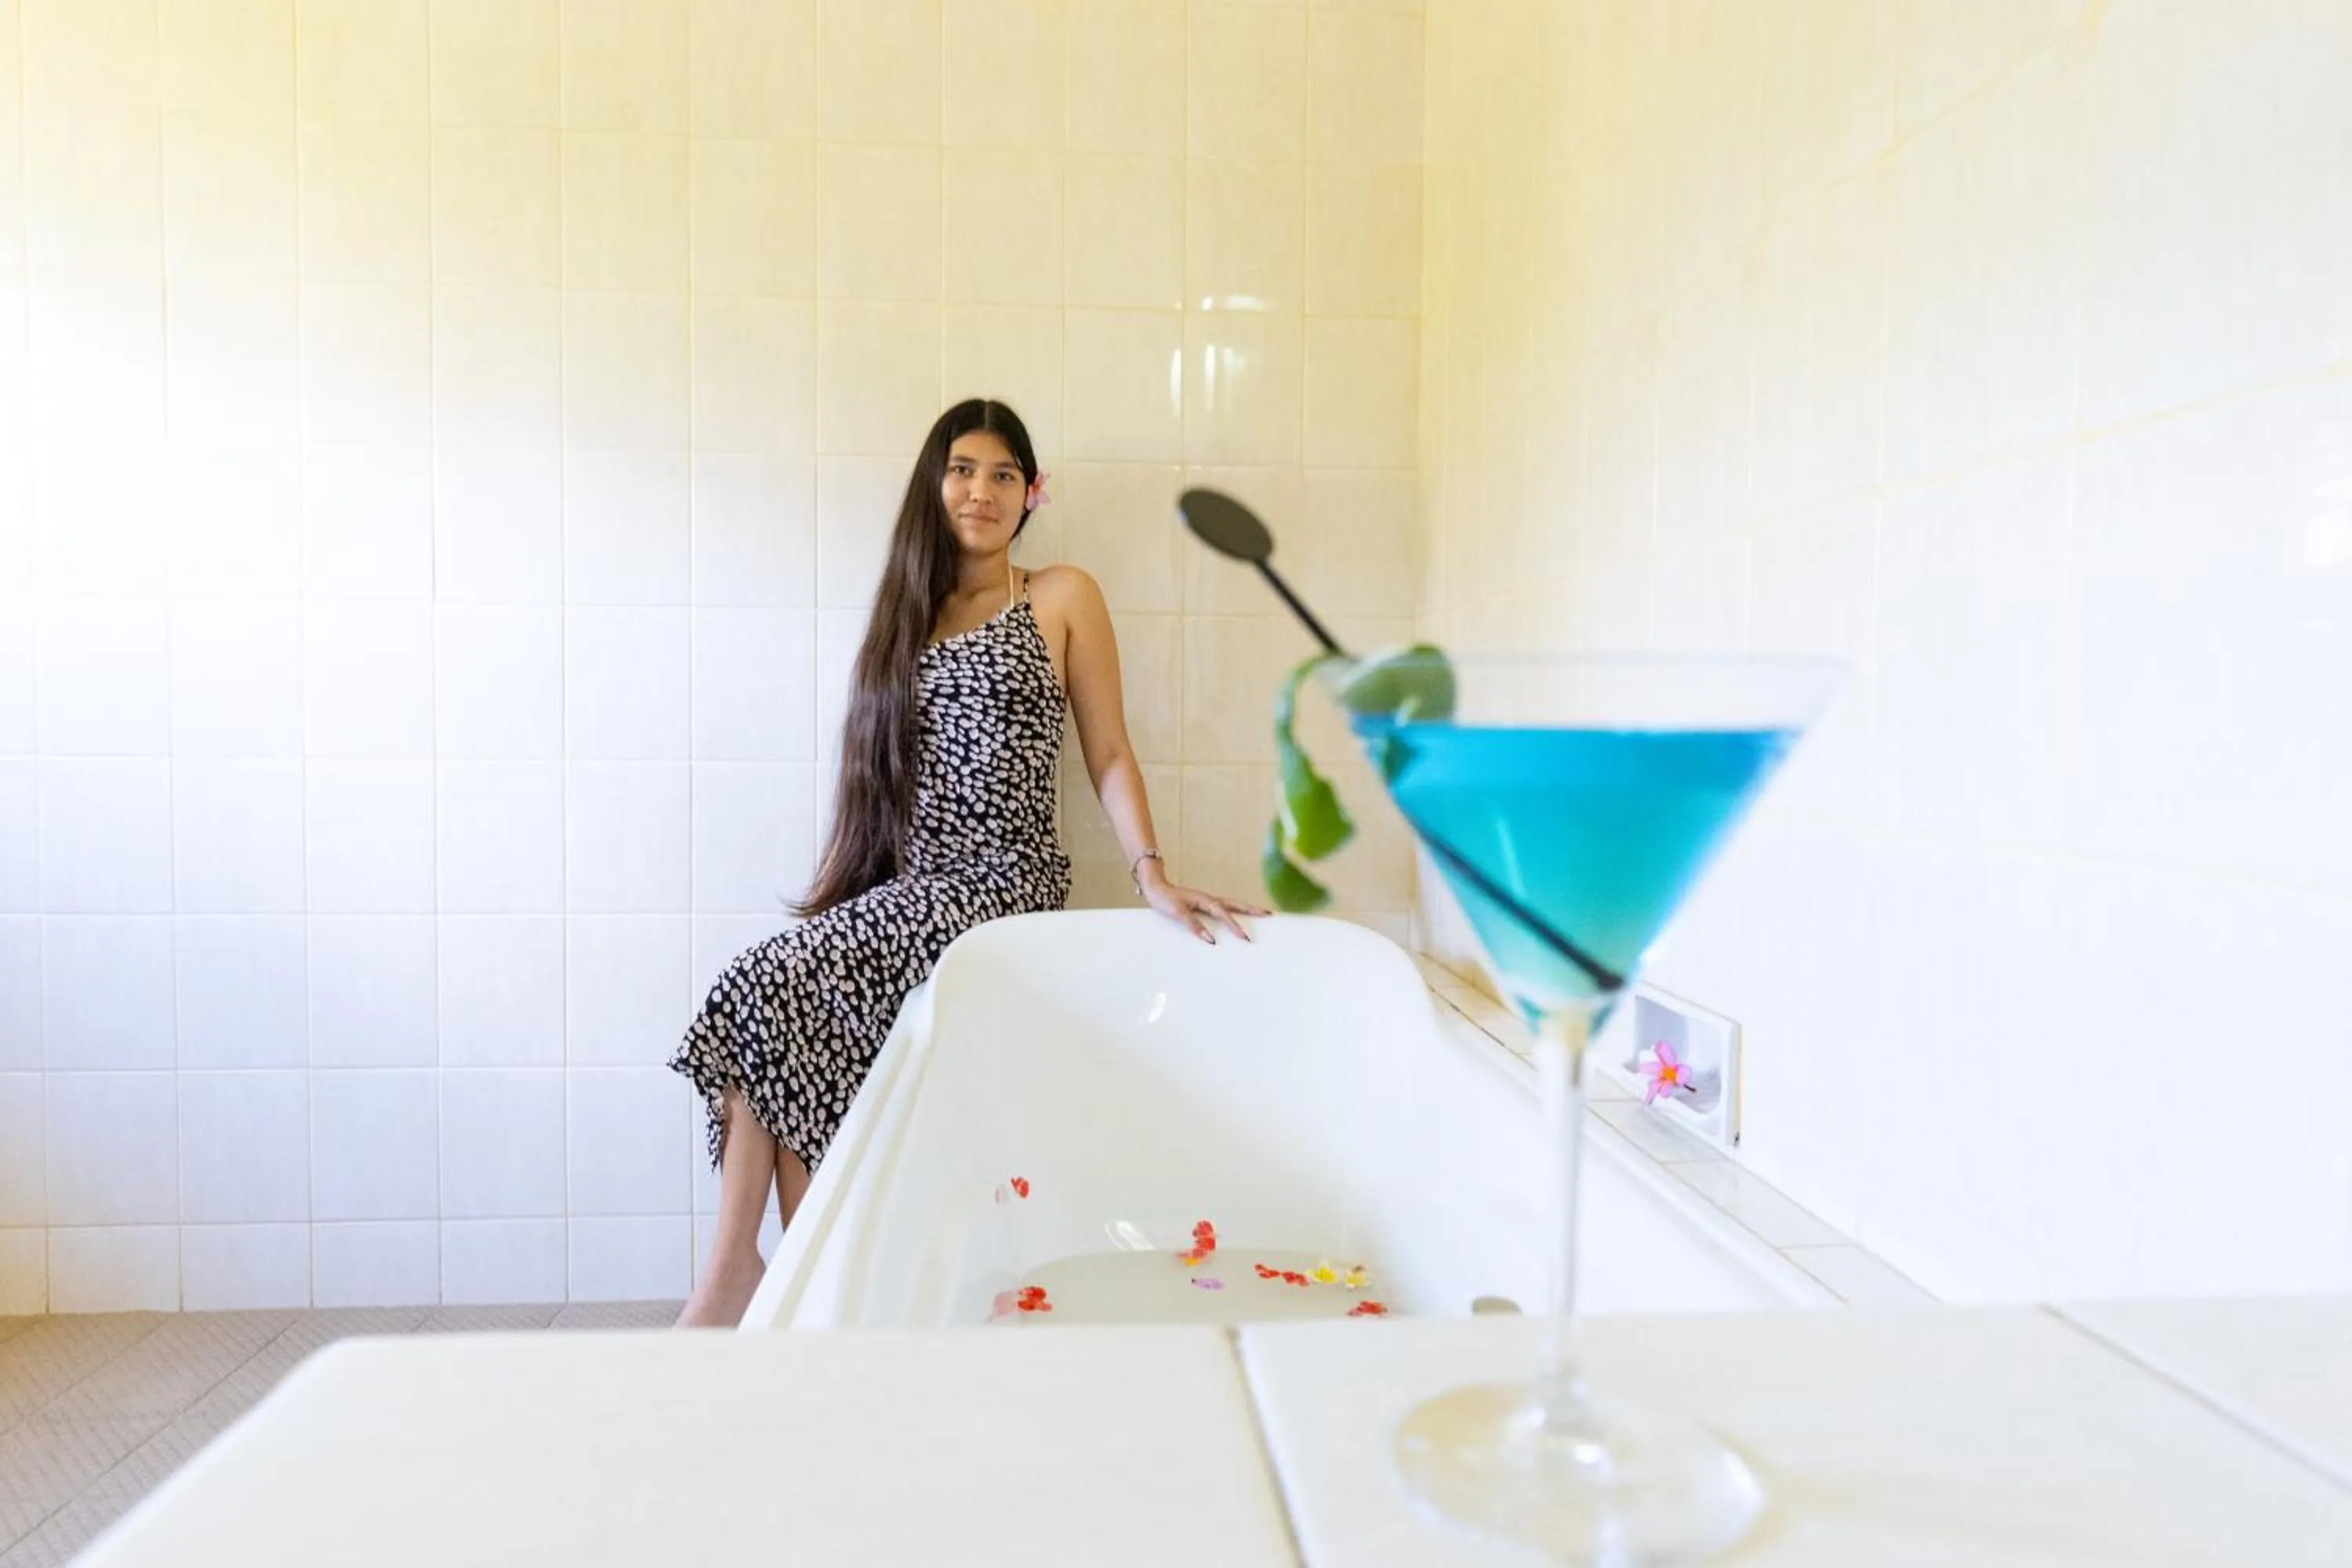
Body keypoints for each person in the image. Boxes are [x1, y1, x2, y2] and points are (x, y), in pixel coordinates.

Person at [671, 398, 1268, 1327]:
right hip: (919, 887)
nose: (980, 490)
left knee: (762, 983)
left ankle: (737, 1281)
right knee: (774, 1005)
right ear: (934, 482)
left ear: (1033, 492)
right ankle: (796, 1288)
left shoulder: (1061, 595)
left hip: (1006, 883)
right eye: (962, 469)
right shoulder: (908, 615)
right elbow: (880, 780)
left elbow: (1108, 749)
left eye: (1001, 474)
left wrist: (1151, 869)